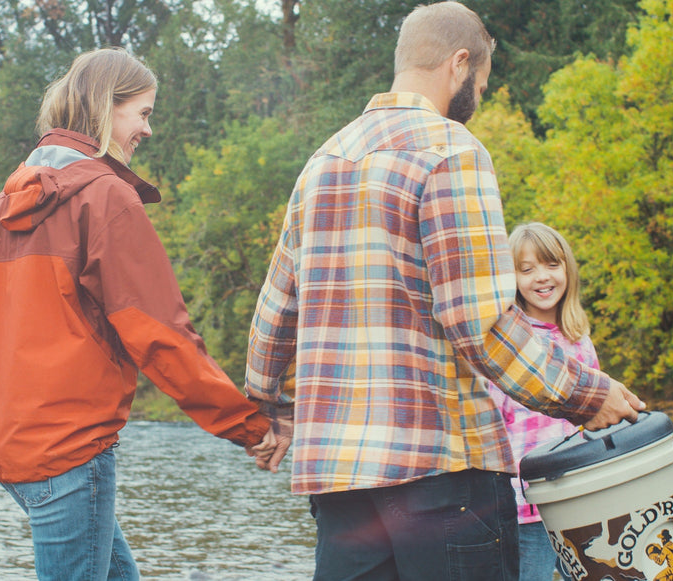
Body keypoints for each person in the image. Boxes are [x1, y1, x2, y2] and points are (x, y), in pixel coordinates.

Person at [244, 3, 644, 579]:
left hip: (339, 479)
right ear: (460, 64)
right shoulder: (452, 150)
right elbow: (477, 324)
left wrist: (269, 403)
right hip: (441, 471)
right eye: (480, 84)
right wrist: (587, 394)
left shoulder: (322, 162)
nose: (476, 97)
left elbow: (276, 310)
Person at [0, 47, 272, 581]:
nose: (148, 129)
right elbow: (159, 333)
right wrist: (246, 423)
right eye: (142, 113)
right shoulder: (107, 197)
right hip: (71, 452)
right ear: (105, 108)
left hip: (14, 451)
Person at [486, 222, 599, 580]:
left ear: (567, 269)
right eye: (526, 269)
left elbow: (595, 418)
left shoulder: (578, 338)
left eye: (551, 264)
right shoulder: (508, 340)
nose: (541, 277)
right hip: (526, 505)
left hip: (581, 497)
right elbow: (491, 422)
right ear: (512, 278)